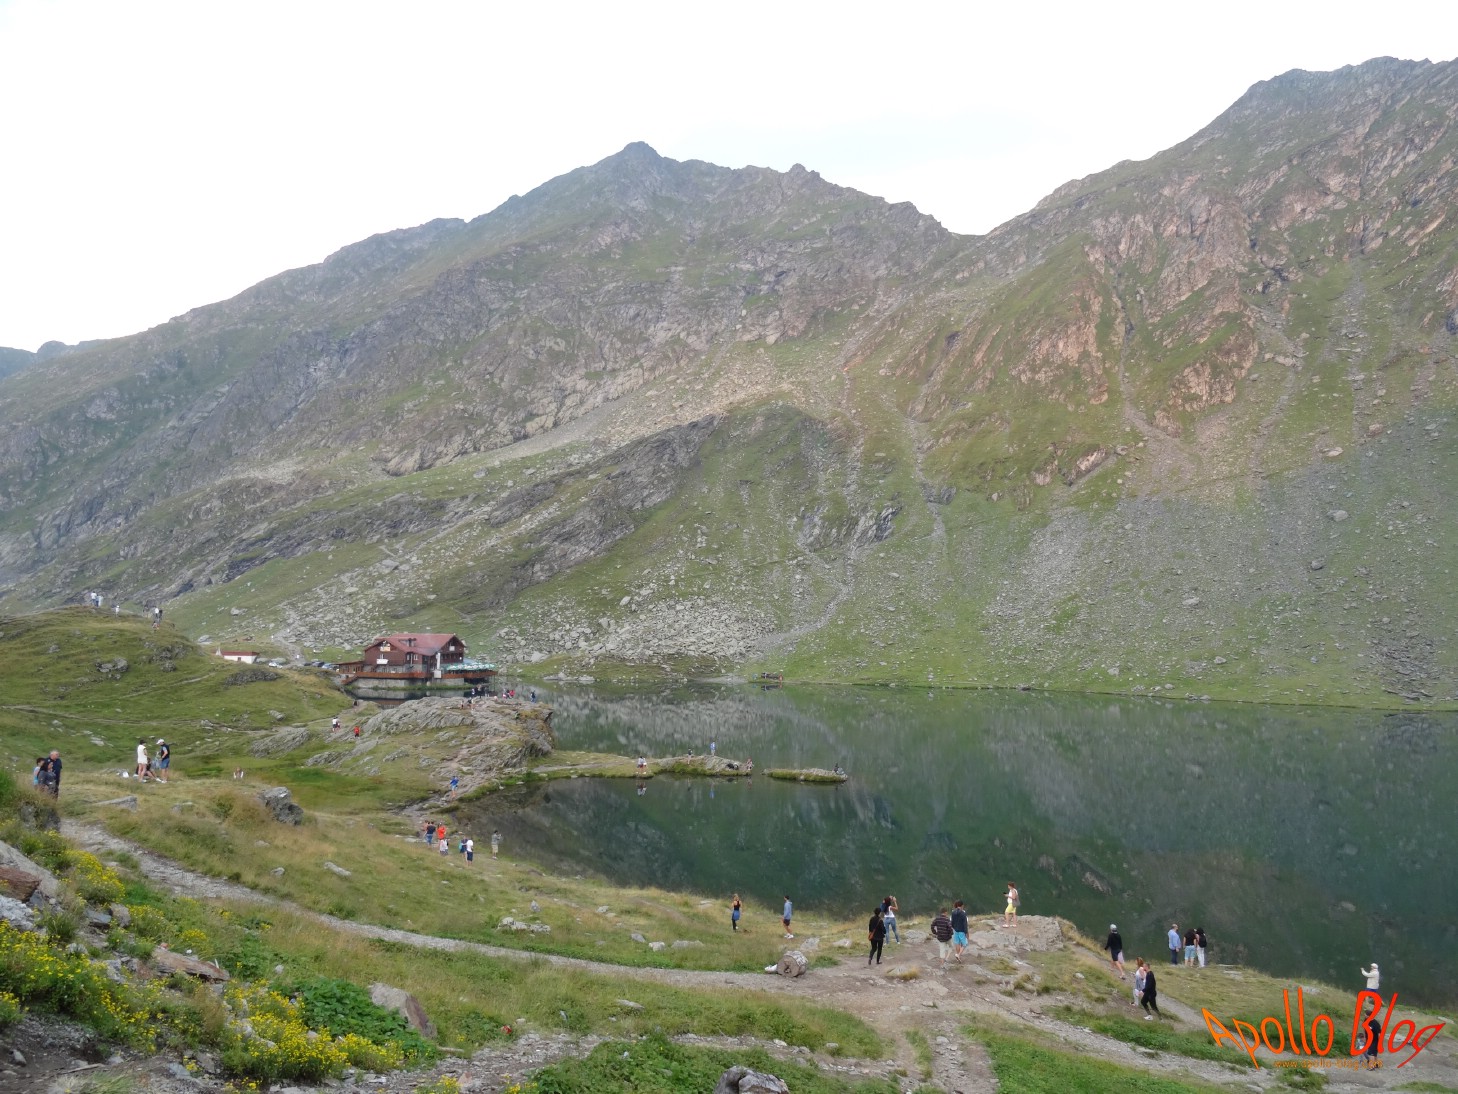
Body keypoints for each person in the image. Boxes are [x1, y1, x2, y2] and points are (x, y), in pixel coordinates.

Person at [1361, 1002, 1382, 1069]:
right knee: (1373, 1053)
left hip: (1374, 1040)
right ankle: (1376, 1064)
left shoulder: (1375, 1023)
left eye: (1365, 1015)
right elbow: (1365, 1029)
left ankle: (1371, 1066)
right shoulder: (1366, 1020)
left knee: (1371, 1053)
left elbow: (1379, 1033)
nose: (1364, 1016)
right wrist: (1364, 1037)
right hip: (1368, 1039)